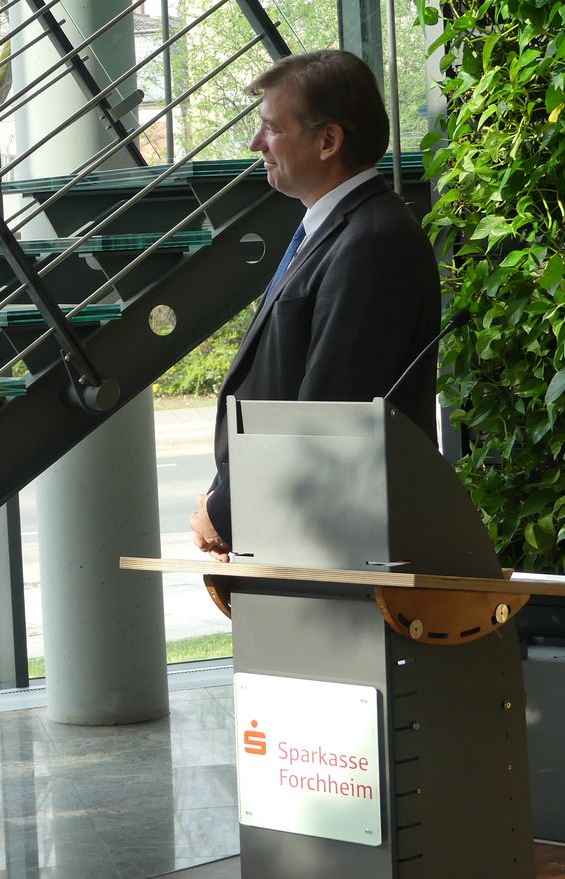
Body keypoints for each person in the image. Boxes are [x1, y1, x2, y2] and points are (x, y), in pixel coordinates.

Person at [189, 49, 442, 561]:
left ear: (328, 141)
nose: (256, 143)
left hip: (339, 548)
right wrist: (224, 502)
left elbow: (331, 416)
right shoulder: (336, 232)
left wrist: (226, 514)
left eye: (271, 127)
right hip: (301, 536)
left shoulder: (373, 243)